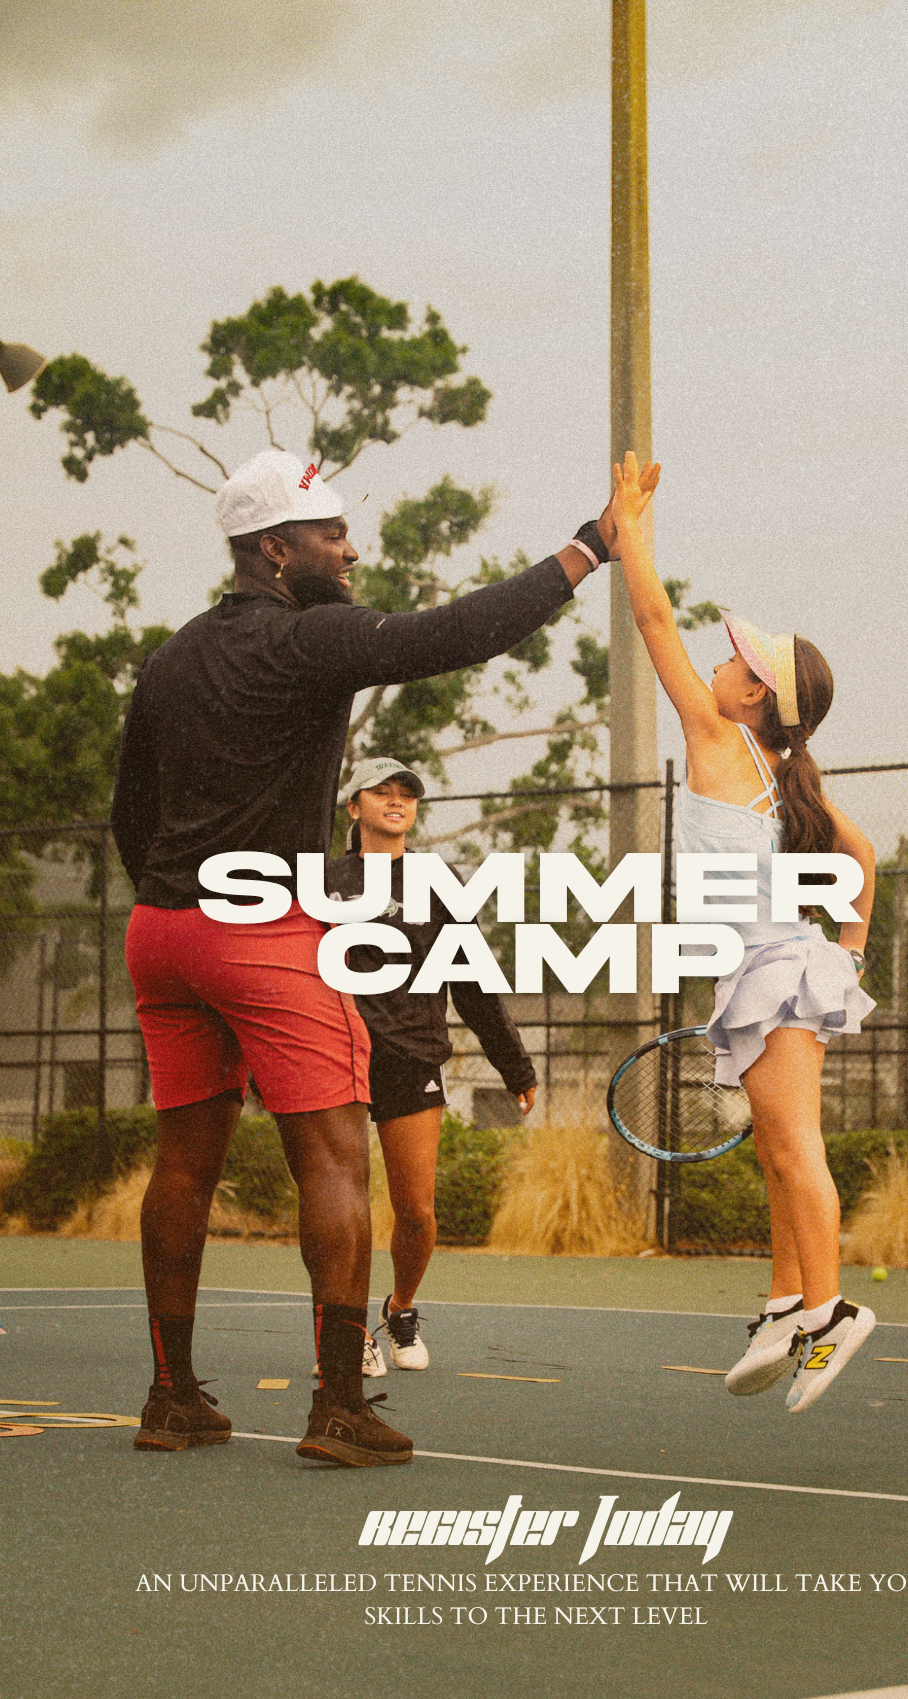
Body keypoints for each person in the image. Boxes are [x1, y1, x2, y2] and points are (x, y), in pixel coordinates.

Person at [112, 446, 657, 1466]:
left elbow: (130, 812)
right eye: (331, 535)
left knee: (183, 1163)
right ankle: (336, 1408)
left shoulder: (172, 656)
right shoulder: (308, 641)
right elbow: (451, 635)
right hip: (259, 926)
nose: (350, 549)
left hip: (162, 931)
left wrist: (173, 901)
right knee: (333, 1153)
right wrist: (591, 548)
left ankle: (173, 1398)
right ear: (277, 550)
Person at [610, 451, 876, 1413]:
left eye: (735, 659)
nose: (718, 661)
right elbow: (866, 858)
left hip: (773, 968)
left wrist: (628, 534)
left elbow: (649, 622)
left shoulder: (716, 737)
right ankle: (782, 1304)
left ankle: (833, 1312)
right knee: (774, 1147)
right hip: (776, 965)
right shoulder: (784, 775)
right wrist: (844, 955)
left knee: (795, 1145)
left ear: (752, 695)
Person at [322, 755, 537, 1377]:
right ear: (354, 806)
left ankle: (401, 1308)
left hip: (412, 1057)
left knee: (415, 1211)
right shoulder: (325, 880)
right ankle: (350, 1328)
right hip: (337, 1055)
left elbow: (470, 980)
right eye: (381, 792)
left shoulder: (438, 882)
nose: (396, 801)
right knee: (347, 1207)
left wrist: (514, 1065)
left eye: (407, 794)